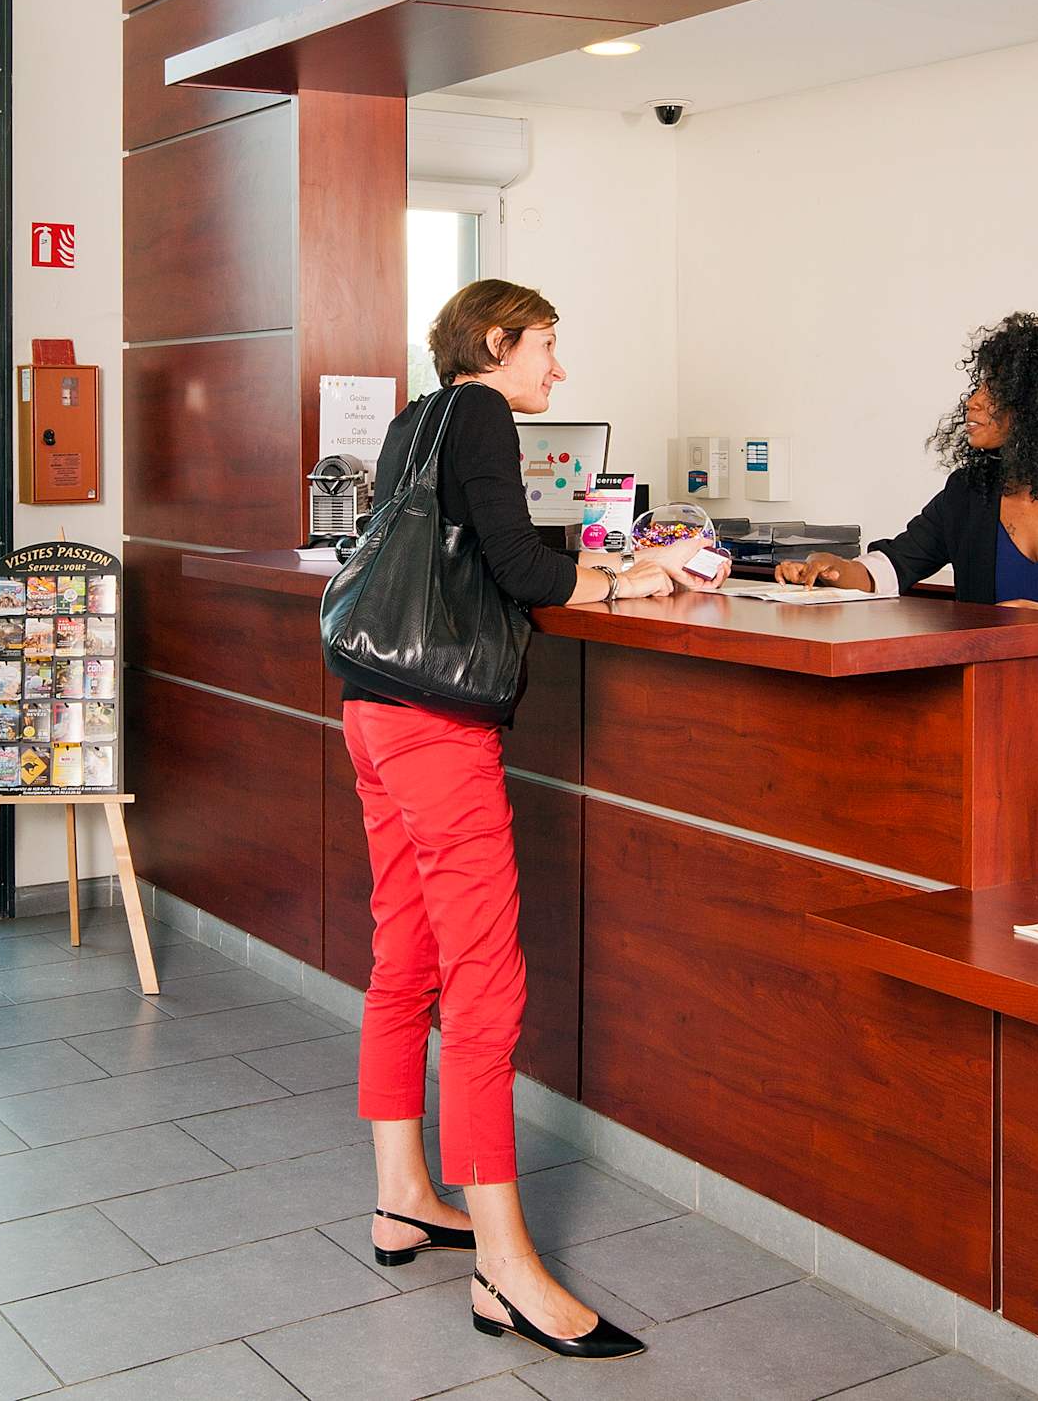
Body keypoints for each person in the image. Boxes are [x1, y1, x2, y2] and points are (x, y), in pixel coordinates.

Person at [339, 279, 718, 1361]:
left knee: (405, 955)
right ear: (497, 342)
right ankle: (504, 1267)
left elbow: (488, 551)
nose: (558, 366)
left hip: (374, 707)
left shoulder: (419, 417)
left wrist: (603, 566)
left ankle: (403, 1196)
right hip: (437, 727)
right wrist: (627, 579)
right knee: (485, 987)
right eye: (547, 344)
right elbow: (518, 571)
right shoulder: (483, 412)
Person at [777, 311, 1038, 641]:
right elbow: (893, 567)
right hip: (987, 700)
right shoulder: (969, 493)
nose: (973, 402)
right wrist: (833, 568)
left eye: (994, 390)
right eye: (978, 386)